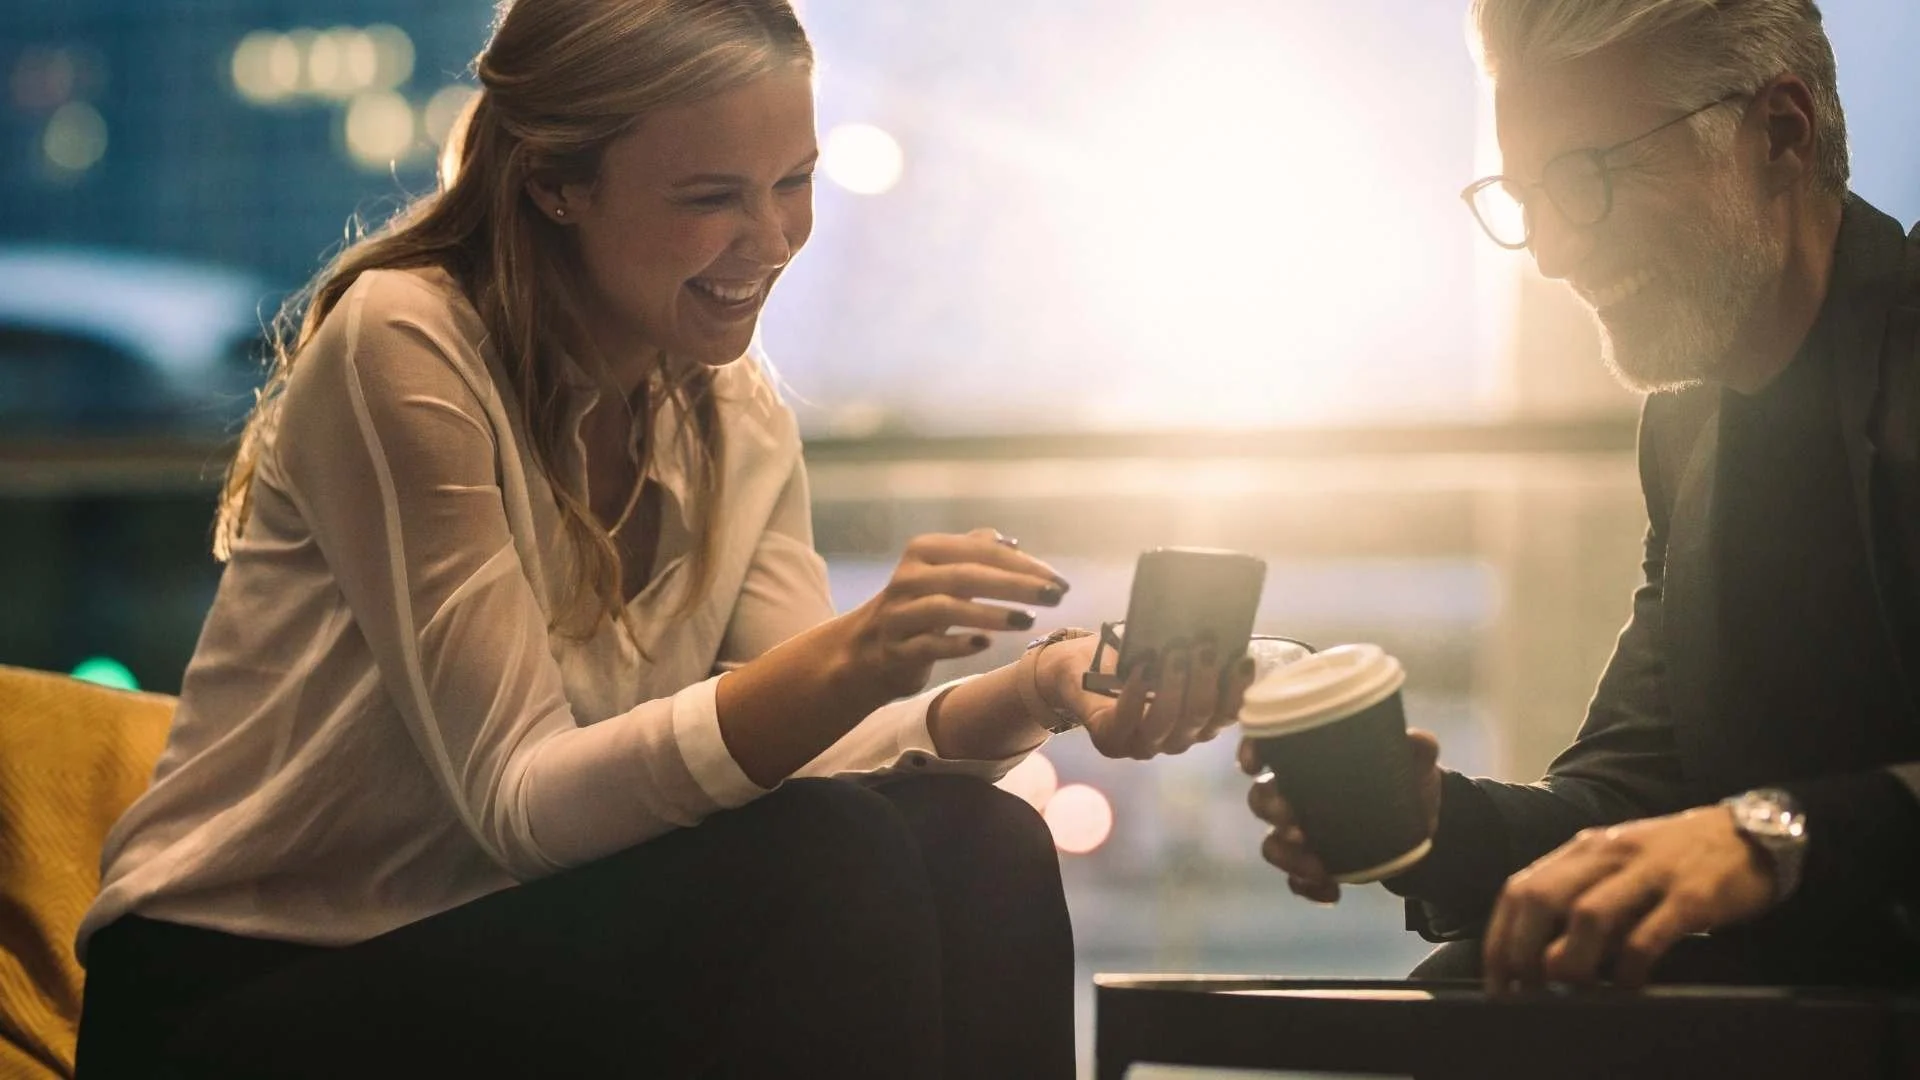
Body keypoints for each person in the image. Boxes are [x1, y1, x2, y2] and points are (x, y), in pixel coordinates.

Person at [71, 2, 1254, 1076]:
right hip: (241, 993)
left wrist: (1037, 691)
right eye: (710, 197)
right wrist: (852, 658)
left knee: (979, 838)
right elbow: (519, 804)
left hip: (496, 947)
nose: (774, 236)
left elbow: (819, 755)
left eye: (795, 180)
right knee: (824, 860)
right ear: (554, 185)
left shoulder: (732, 412)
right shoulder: (408, 345)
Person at [1244, 0, 1920, 993]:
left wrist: (1763, 838)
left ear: (1780, 134)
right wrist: (1432, 826)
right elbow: (1634, 791)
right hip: (1807, 990)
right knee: (1464, 994)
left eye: (1590, 176)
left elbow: (1710, 832)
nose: (1555, 253)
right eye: (1527, 195)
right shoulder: (1689, 429)